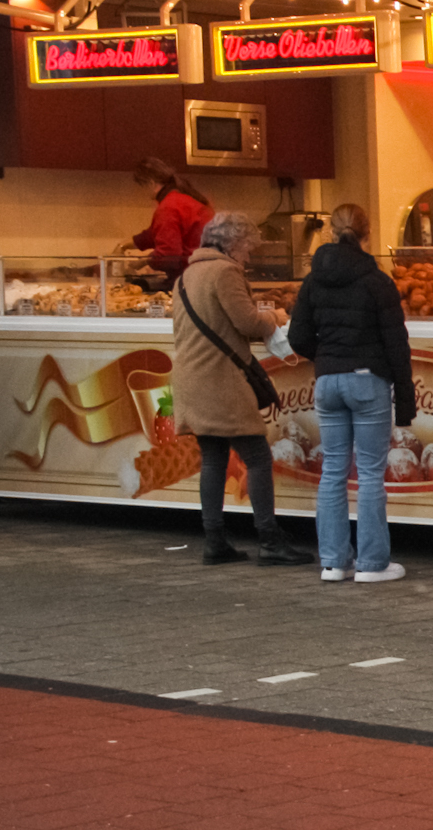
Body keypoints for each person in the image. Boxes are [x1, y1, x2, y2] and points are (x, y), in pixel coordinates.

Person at [172, 211, 312, 567]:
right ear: (233, 244)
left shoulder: (185, 276)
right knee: (258, 457)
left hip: (190, 377)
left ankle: (215, 540)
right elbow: (247, 322)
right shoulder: (225, 272)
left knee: (214, 458)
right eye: (248, 249)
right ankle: (269, 540)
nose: (249, 256)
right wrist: (278, 317)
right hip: (221, 380)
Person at [288, 203, 414, 584]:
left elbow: (297, 337)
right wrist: (405, 398)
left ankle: (332, 562)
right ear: (367, 235)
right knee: (371, 474)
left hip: (327, 381)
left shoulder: (312, 280)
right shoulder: (377, 281)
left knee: (332, 471)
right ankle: (372, 564)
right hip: (367, 380)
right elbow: (396, 343)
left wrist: (326, 357)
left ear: (330, 232)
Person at [132, 156, 212, 282]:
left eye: (141, 186)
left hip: (191, 279)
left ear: (151, 183)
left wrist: (144, 261)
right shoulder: (182, 198)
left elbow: (169, 256)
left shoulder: (168, 207)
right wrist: (131, 243)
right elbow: (160, 232)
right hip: (206, 275)